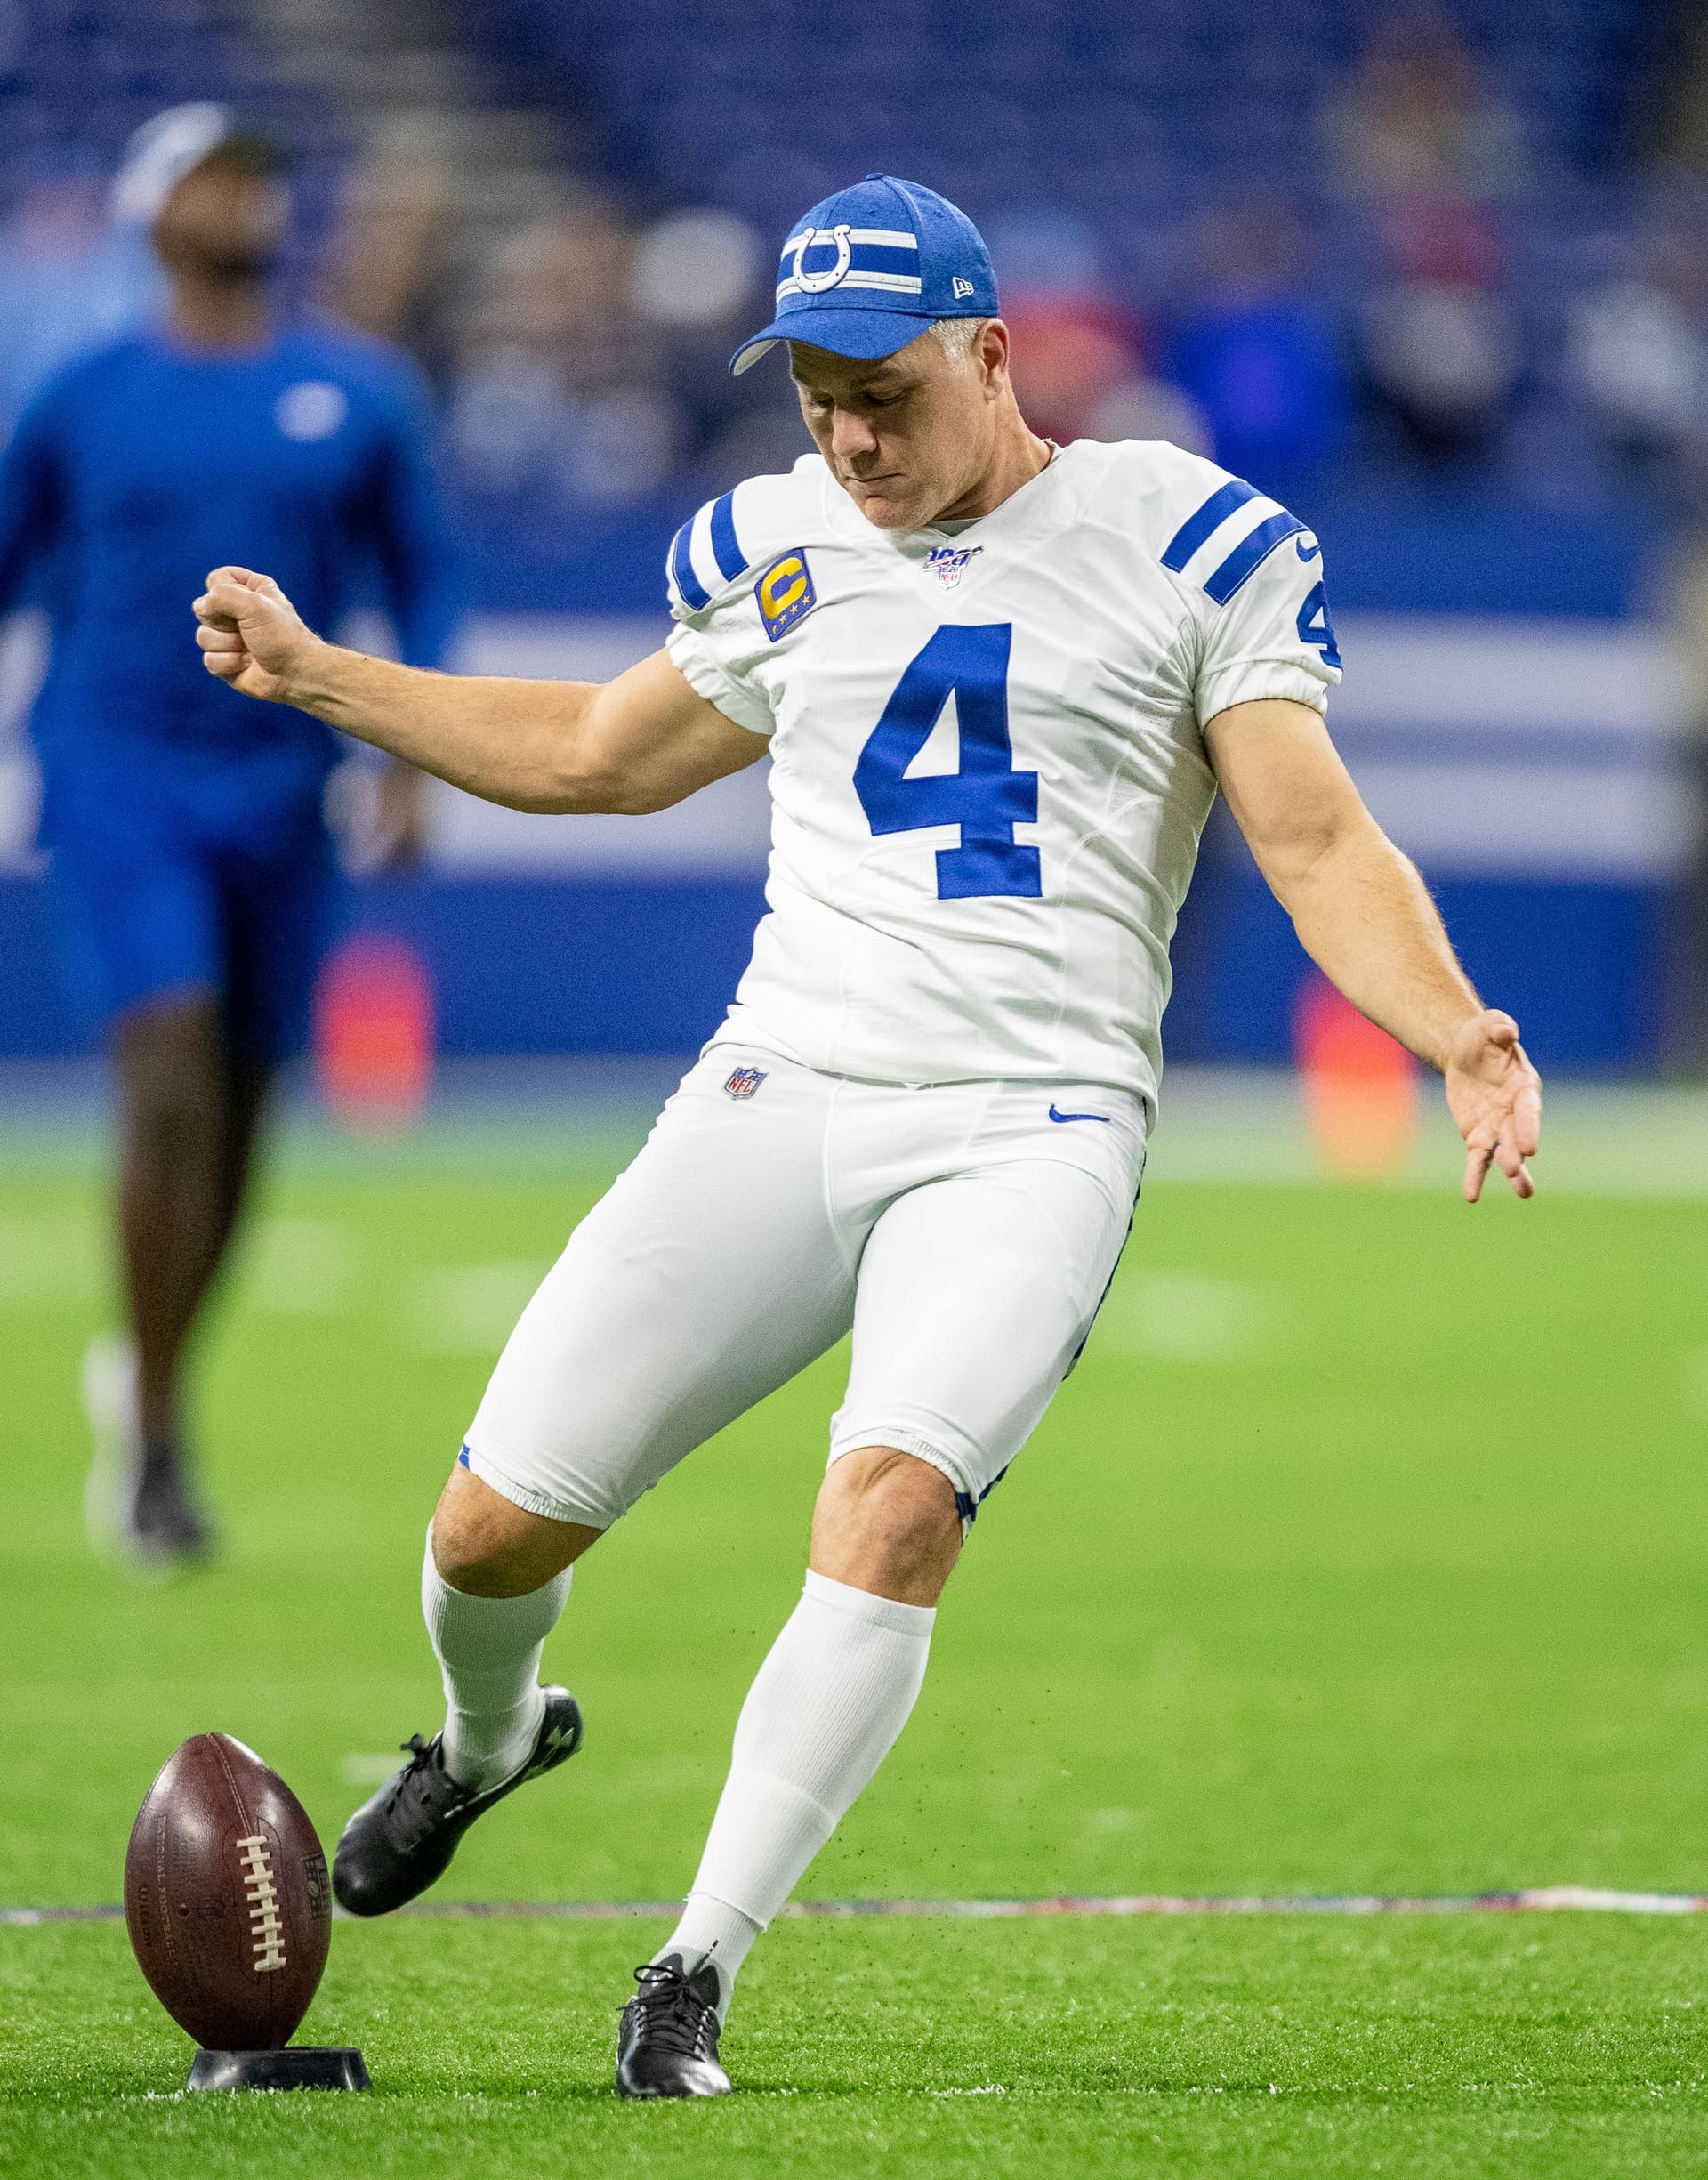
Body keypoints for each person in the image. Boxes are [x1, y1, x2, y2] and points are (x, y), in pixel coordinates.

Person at [192, 174, 1542, 2097]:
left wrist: (1456, 1028)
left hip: (1032, 1123)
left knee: (891, 1506)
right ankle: (488, 1740)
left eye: (888, 389)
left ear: (993, 354)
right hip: (784, 1086)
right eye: (818, 392)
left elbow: (1310, 837)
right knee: (487, 1533)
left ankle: (690, 1971)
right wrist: (326, 675)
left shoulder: (1179, 533)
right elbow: (593, 753)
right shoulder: (779, 543)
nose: (851, 434)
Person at [0, 107, 456, 1565]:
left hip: (280, 785)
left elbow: (424, 575)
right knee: (173, 1070)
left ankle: (153, 1376)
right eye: (211, 178)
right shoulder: (83, 396)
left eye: (258, 177)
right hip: (118, 774)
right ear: (153, 211)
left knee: (248, 1112)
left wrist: (407, 745)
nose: (242, 199)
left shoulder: (354, 391)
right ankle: (157, 1428)